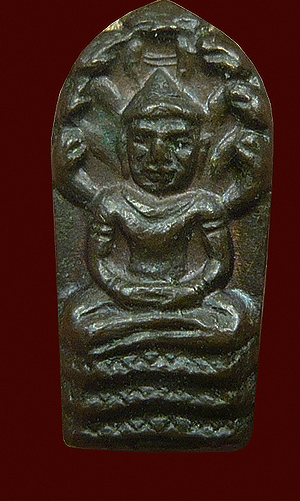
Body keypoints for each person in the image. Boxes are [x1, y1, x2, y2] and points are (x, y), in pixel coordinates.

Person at [60, 70, 258, 351]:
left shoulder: (203, 205)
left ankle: (140, 337)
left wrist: (188, 292)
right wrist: (125, 291)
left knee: (234, 321)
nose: (159, 157)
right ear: (123, 147)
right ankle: (167, 336)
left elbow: (219, 266)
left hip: (186, 296)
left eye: (179, 142)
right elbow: (99, 263)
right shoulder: (113, 202)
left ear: (200, 152)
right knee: (76, 319)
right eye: (143, 139)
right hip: (124, 295)